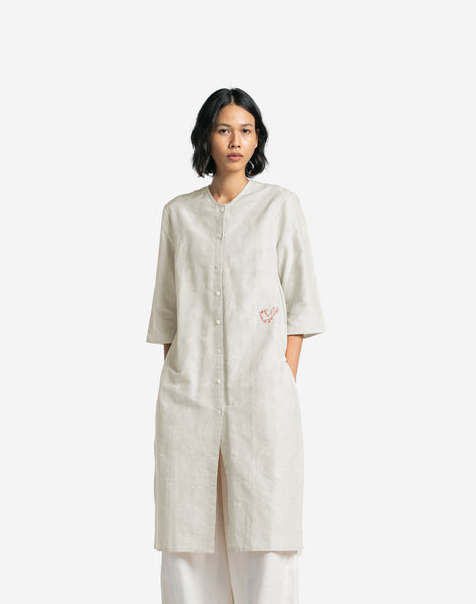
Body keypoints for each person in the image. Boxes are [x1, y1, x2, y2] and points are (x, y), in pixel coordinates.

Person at [146, 87, 325, 603]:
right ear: (207, 136)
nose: (235, 141)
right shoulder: (178, 214)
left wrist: (281, 376)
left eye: (246, 130)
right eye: (224, 129)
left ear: (257, 138)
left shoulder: (280, 207)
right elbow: (168, 314)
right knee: (189, 535)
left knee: (265, 533)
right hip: (190, 398)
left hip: (262, 395)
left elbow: (300, 305)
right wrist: (184, 377)